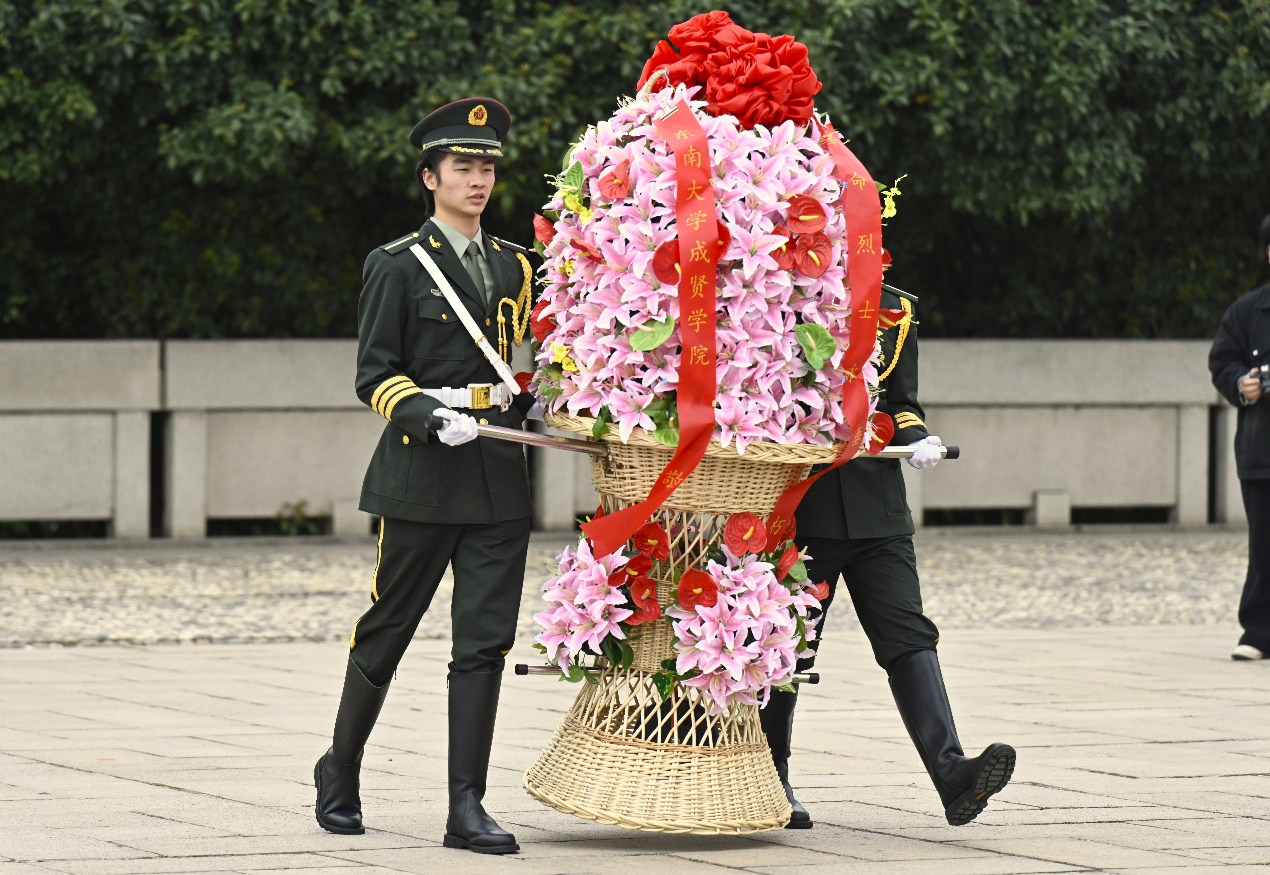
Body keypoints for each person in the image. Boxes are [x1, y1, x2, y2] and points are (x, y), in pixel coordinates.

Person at [313, 97, 537, 855]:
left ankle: (466, 805)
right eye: (463, 166)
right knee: (390, 625)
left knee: (484, 641)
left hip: (498, 472)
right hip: (421, 470)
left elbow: (524, 362)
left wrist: (551, 399)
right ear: (429, 177)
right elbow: (374, 374)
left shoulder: (517, 265)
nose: (478, 180)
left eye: (487, 167)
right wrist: (426, 414)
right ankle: (340, 767)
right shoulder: (398, 264)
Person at [762, 284, 1016, 828]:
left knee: (909, 635)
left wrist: (917, 435)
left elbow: (900, 403)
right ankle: (769, 776)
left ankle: (953, 774)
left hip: (878, 505)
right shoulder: (781, 289)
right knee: (786, 646)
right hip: (801, 505)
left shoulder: (893, 308)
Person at [1208, 212, 1270, 662]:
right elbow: (1221, 361)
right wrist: (1240, 384)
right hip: (1262, 451)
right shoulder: (1247, 311)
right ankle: (1259, 631)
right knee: (1264, 544)